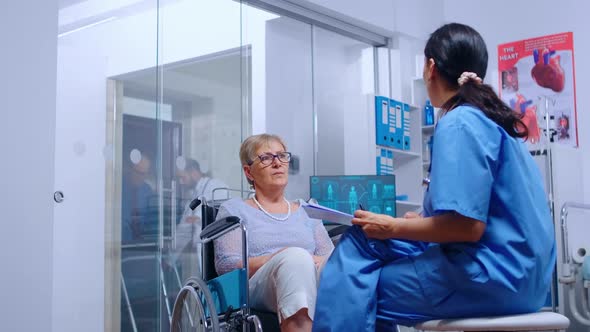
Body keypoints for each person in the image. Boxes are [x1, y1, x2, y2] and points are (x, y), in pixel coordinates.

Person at [312, 23, 556, 331]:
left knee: (356, 287)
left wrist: (392, 225)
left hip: (493, 276)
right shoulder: (493, 122)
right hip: (527, 278)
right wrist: (416, 222)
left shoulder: (459, 123)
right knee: (363, 256)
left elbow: (466, 226)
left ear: (431, 67)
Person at [214, 134, 334, 332]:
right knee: (295, 260)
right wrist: (280, 256)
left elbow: (327, 256)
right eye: (266, 158)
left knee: (349, 259)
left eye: (281, 156)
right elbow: (227, 265)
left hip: (309, 273)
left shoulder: (307, 210)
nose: (277, 163)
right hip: (259, 285)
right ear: (248, 172)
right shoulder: (234, 210)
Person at [171, 158, 227, 279]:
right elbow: (184, 228)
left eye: (183, 177)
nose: (181, 182)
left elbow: (222, 213)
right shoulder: (195, 194)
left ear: (194, 172)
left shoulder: (215, 185)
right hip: (201, 250)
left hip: (215, 249)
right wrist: (171, 256)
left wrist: (197, 217)